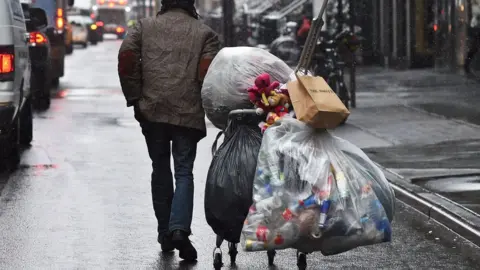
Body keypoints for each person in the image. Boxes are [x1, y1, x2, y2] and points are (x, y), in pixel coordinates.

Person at [117, 0, 220, 262]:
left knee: (160, 167)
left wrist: (135, 97)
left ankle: (165, 232)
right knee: (184, 171)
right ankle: (179, 230)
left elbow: (127, 59)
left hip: (152, 111)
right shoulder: (205, 33)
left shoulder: (143, 27)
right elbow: (208, 74)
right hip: (187, 113)